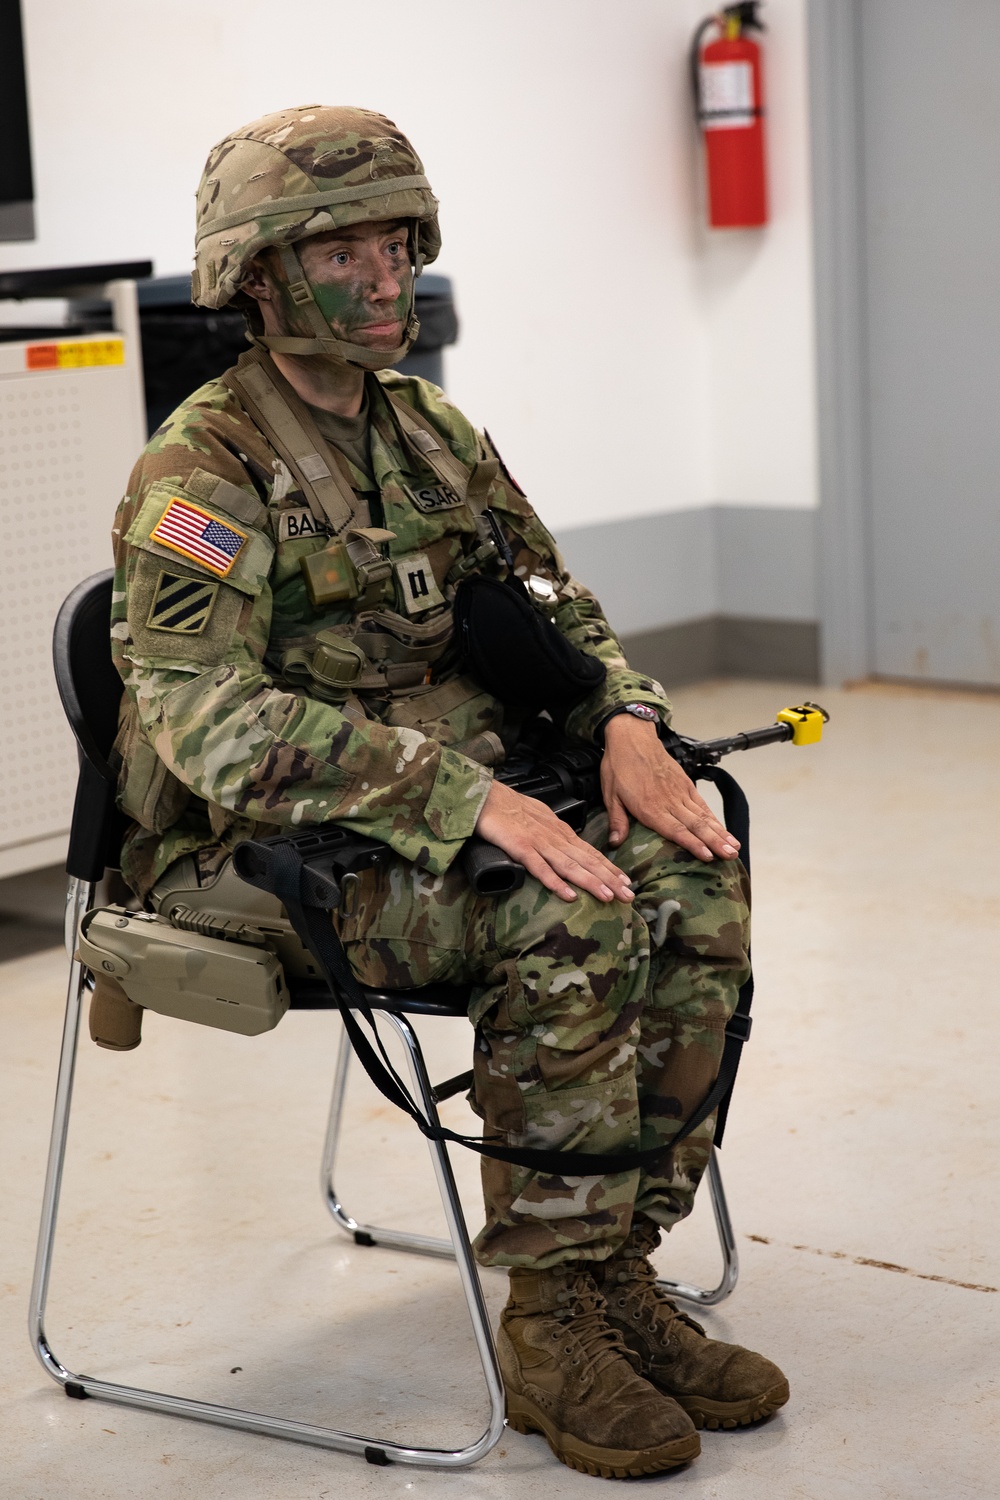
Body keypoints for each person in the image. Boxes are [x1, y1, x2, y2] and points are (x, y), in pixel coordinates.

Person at [108, 105, 788, 1478]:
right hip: (267, 851)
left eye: (397, 240)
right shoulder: (203, 467)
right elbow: (203, 715)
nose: (385, 274)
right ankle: (551, 1328)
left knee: (694, 864)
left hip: (445, 817)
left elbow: (550, 600)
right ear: (256, 273)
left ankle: (611, 1274)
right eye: (342, 246)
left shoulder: (431, 430)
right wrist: (458, 800)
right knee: (568, 912)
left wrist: (623, 719)